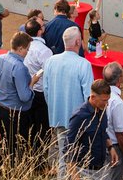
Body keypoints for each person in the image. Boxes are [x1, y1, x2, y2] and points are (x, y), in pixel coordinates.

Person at [43, 26, 94, 175]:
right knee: (79, 162)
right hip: (79, 122)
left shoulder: (51, 61)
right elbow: (88, 97)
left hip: (58, 117)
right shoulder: (83, 64)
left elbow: (46, 90)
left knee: (63, 157)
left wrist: (54, 108)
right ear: (78, 42)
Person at [0, 31, 38, 156]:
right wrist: (32, 83)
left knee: (4, 143)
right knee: (17, 149)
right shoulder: (20, 67)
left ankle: (3, 171)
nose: (27, 52)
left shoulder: (0, 59)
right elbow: (24, 97)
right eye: (27, 49)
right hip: (17, 114)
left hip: (0, 110)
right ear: (20, 48)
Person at [65, 79, 116, 179]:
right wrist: (75, 176)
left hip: (103, 169)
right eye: (104, 100)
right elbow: (68, 148)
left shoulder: (101, 109)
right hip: (84, 171)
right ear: (93, 97)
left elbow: (102, 132)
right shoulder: (79, 117)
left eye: (108, 100)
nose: (107, 104)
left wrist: (111, 148)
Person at [23, 18, 54, 160]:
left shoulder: (23, 45)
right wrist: (39, 73)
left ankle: (29, 157)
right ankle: (40, 164)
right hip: (40, 93)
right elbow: (49, 71)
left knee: (30, 127)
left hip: (27, 90)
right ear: (40, 31)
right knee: (42, 130)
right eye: (42, 25)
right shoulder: (44, 50)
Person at [103, 62, 123, 177]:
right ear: (120, 79)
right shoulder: (117, 103)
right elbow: (121, 135)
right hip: (115, 147)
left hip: (104, 143)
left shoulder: (101, 95)